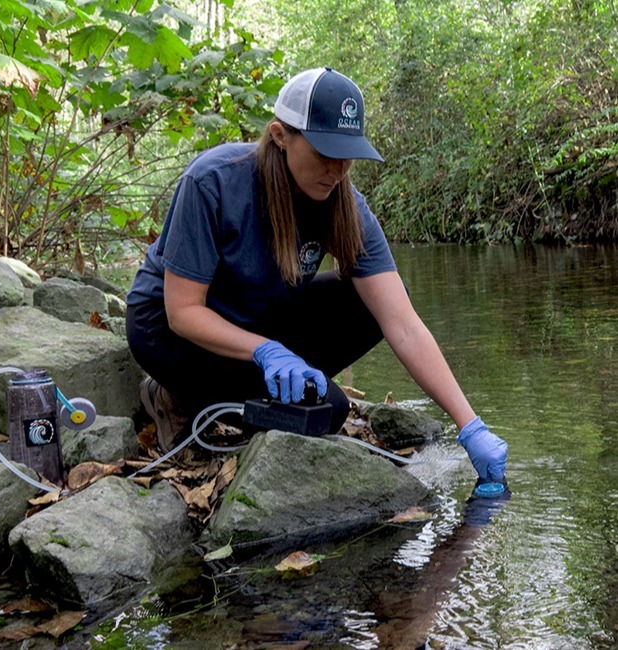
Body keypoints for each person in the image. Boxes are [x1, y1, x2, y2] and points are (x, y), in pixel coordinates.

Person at [125, 66, 507, 483]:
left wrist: (470, 425)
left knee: (336, 385)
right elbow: (182, 312)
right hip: (169, 332)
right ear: (279, 136)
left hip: (259, 319)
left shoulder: (344, 203)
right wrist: (266, 351)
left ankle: (235, 403)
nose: (338, 170)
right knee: (335, 407)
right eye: (325, 153)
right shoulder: (212, 181)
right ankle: (173, 396)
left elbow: (403, 323)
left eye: (348, 156)